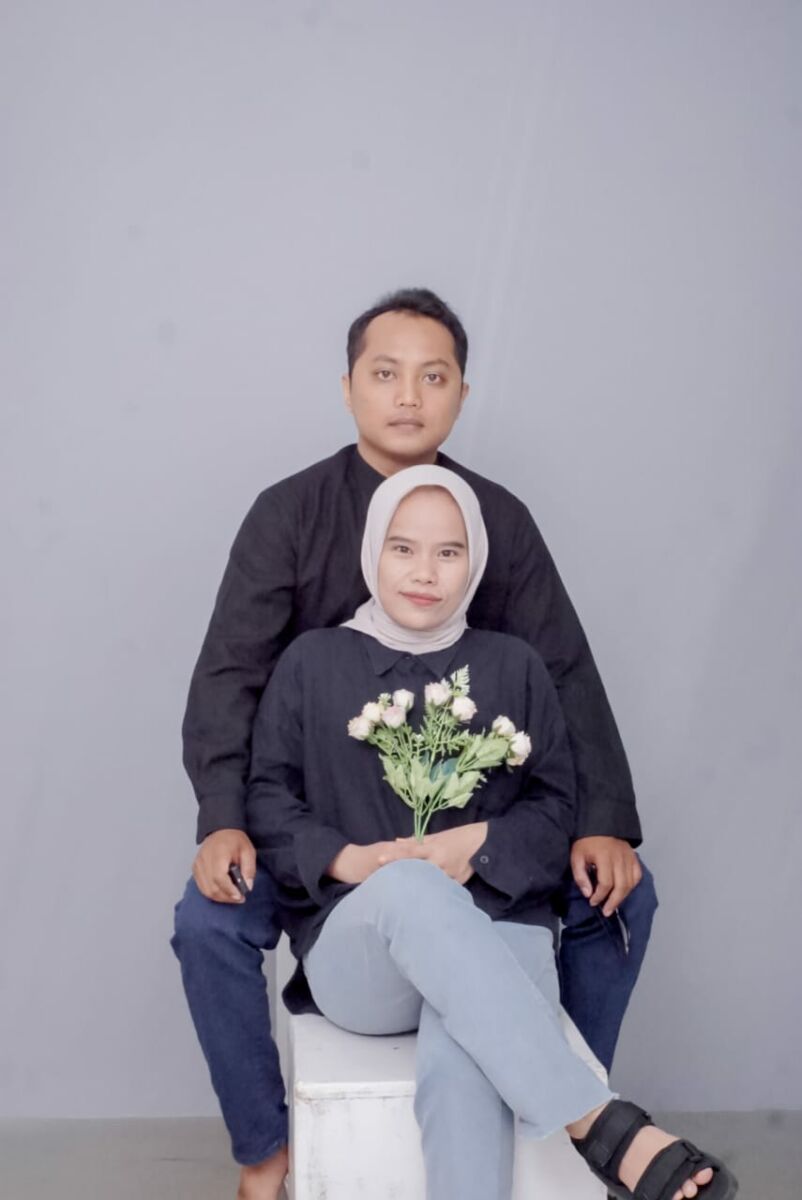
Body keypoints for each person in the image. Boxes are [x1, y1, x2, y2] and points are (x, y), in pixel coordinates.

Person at [171, 288, 658, 1200]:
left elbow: (561, 671)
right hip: (319, 820)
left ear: (461, 395)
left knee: (618, 893)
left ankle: (548, 1108)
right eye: (384, 373)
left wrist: (602, 820)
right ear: (348, 386)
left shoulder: (497, 519)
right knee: (207, 922)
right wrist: (225, 816)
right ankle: (264, 1151)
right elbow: (229, 677)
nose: (407, 396)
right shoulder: (289, 514)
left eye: (432, 378)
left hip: (467, 826)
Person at [246, 467, 736, 1200]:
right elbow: (266, 800)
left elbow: (555, 809)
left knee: (467, 1055)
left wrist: (474, 846)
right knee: (409, 889)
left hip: (502, 930)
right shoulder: (312, 662)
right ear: (372, 552)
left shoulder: (514, 664)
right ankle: (599, 1123)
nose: (425, 572)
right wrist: (355, 860)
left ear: (475, 561)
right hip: (365, 962)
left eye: (449, 552)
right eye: (403, 549)